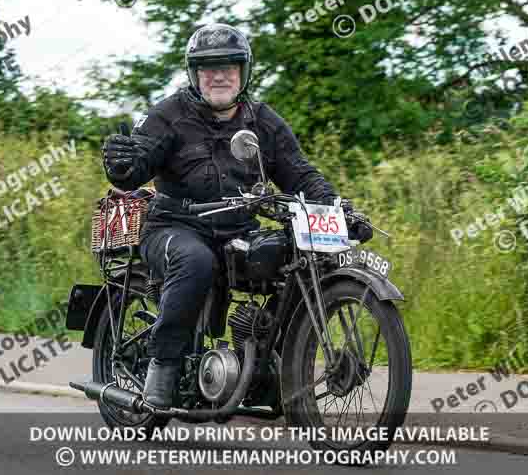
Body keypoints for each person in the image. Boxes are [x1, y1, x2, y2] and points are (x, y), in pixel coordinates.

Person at [101, 23, 372, 409]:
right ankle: (162, 365)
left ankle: (270, 365)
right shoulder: (169, 115)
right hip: (175, 226)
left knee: (289, 256)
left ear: (244, 72)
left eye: (229, 65)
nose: (220, 75)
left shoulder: (263, 121)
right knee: (195, 261)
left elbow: (300, 173)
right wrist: (122, 163)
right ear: (195, 74)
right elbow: (136, 164)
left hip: (237, 230)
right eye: (209, 67)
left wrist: (337, 209)